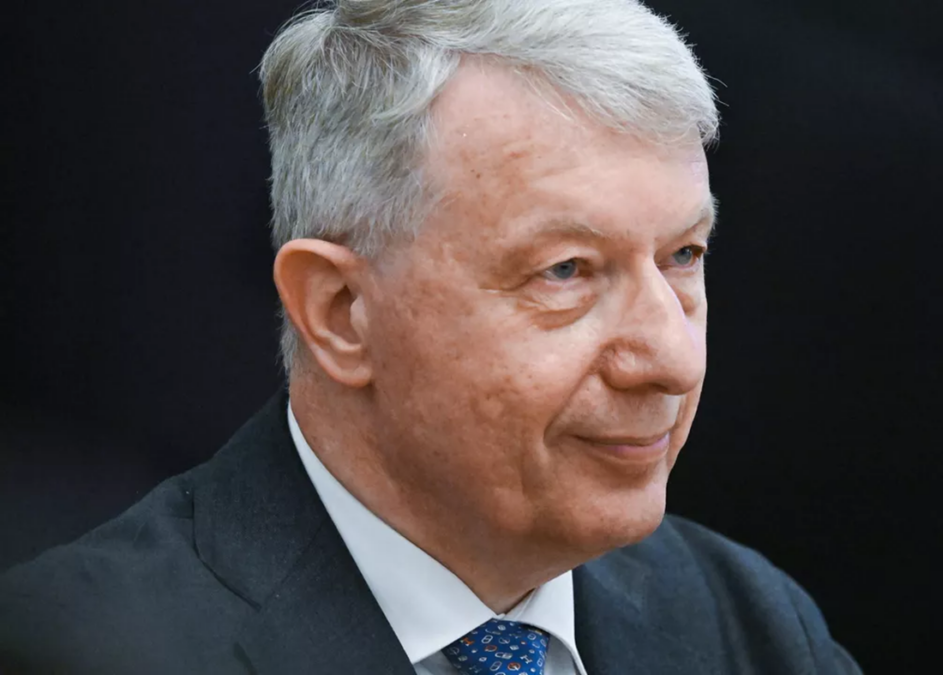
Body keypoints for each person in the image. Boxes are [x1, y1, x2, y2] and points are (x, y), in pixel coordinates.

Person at [0, 1, 860, 673]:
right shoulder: (79, 647)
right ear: (341, 310)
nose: (671, 358)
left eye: (683, 256)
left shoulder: (751, 627)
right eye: (565, 271)